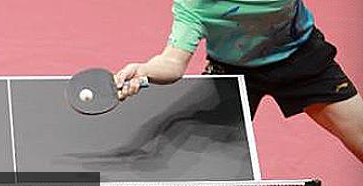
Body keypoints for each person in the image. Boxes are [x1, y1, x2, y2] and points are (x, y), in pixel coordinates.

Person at [115, 0, 363, 163]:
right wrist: (144, 70)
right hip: (232, 73)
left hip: (301, 58)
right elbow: (172, 62)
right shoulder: (195, 4)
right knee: (207, 166)